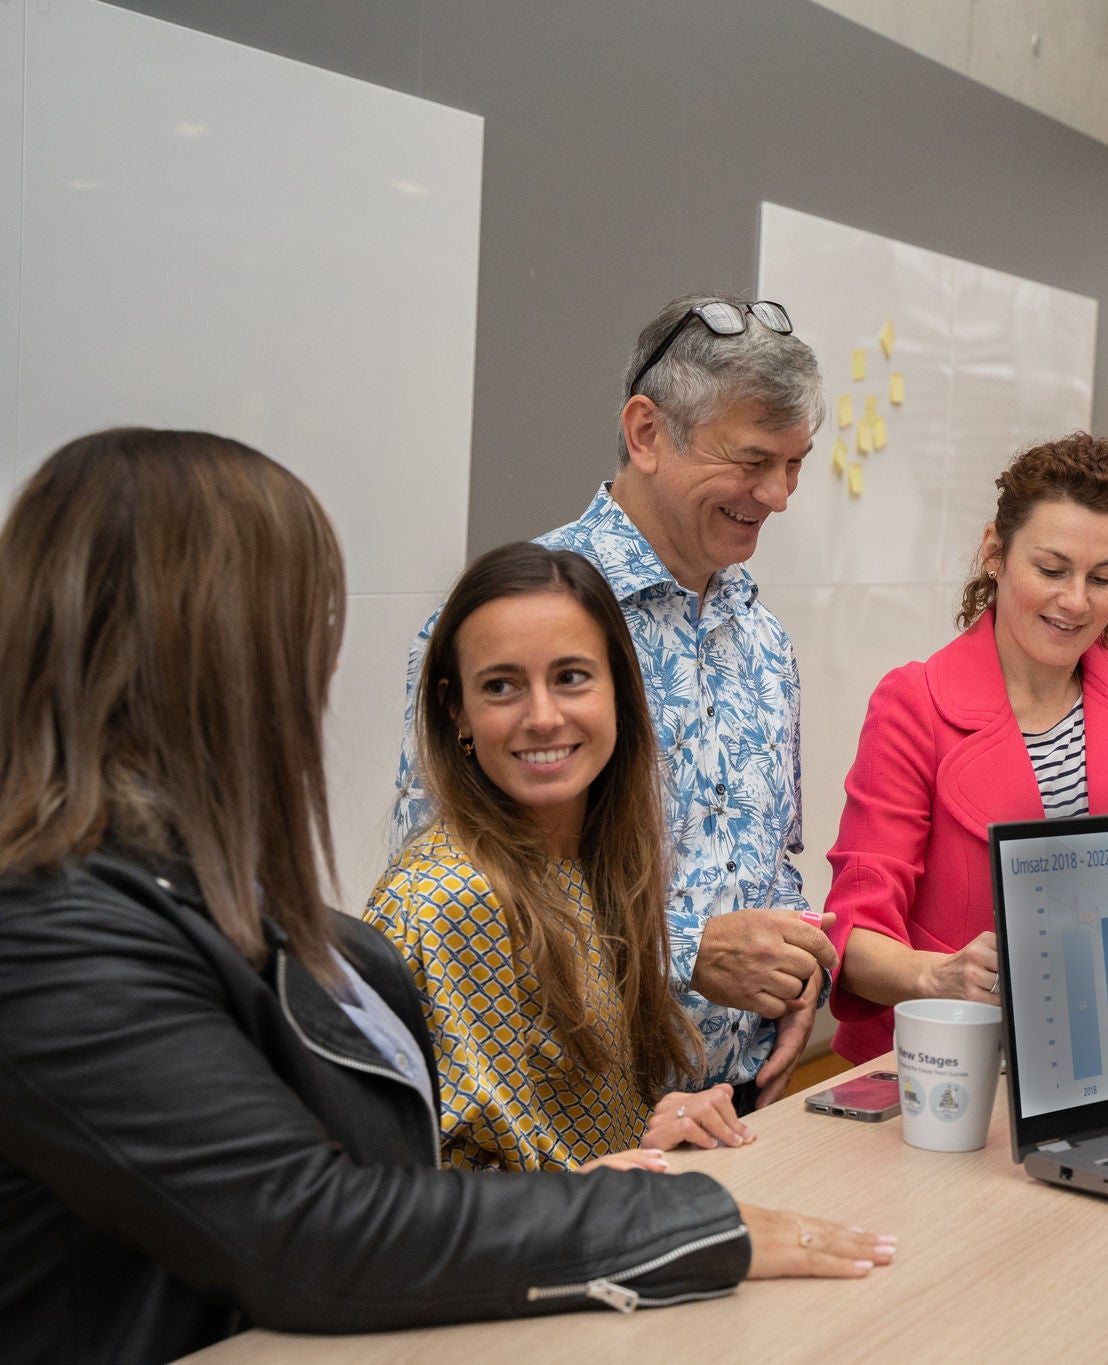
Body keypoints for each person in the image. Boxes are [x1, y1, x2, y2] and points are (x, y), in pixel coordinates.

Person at [0, 430, 890, 1365]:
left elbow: (369, 1170)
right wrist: (669, 1215)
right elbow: (313, 1228)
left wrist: (630, 1148)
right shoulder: (59, 940)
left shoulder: (189, 889)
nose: (316, 669)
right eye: (299, 624)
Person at [393, 295, 835, 1111]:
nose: (778, 494)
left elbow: (774, 861)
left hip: (742, 1111)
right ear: (646, 433)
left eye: (795, 462)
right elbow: (446, 914)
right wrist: (682, 953)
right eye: (752, 460)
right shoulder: (508, 624)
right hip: (566, 1131)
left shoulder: (762, 637)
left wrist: (801, 971)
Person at [368, 542, 756, 1171]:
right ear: (456, 710)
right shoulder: (449, 899)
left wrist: (655, 1129)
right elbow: (402, 1194)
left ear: (619, 690)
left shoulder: (588, 862)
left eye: (571, 677)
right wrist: (588, 1186)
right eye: (501, 686)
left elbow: (562, 1146)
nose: (543, 717)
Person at [824, 433, 1108, 1064]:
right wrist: (938, 976)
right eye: (1051, 571)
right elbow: (853, 939)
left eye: (1103, 578)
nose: (1076, 602)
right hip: (949, 1062)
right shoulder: (914, 703)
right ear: (995, 552)